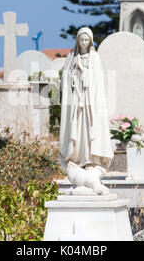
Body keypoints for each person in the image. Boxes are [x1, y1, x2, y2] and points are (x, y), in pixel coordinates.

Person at [59, 27, 113, 195]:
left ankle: (90, 160)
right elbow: (65, 78)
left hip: (90, 103)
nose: (83, 43)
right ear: (77, 41)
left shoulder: (94, 58)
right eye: (81, 40)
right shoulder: (71, 57)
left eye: (86, 40)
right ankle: (77, 158)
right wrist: (74, 74)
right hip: (76, 103)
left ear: (90, 42)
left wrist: (85, 73)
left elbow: (97, 81)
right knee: (77, 132)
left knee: (89, 133)